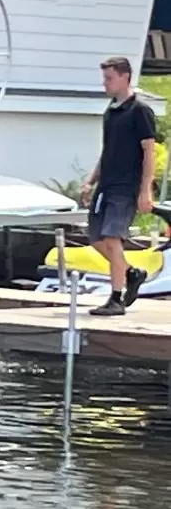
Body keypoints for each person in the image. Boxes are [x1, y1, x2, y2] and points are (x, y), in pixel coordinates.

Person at [79, 55, 159, 316]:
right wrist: (91, 180)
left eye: (109, 78)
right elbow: (108, 151)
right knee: (96, 239)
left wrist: (146, 188)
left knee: (113, 239)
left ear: (125, 77)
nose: (105, 84)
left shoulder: (140, 111)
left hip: (126, 186)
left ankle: (116, 298)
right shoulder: (111, 112)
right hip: (107, 185)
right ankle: (131, 273)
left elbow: (149, 151)